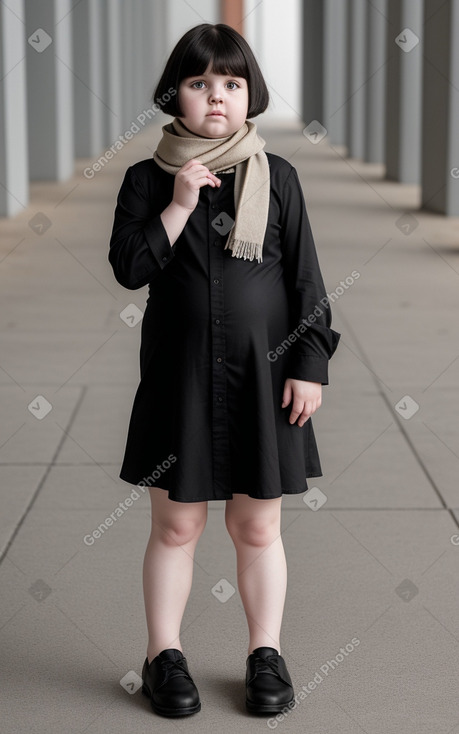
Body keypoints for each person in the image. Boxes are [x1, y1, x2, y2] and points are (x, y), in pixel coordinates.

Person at [108, 22, 340, 718]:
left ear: (250, 95)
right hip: (179, 381)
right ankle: (162, 655)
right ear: (173, 93)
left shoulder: (280, 178)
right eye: (200, 82)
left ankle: (264, 652)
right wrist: (178, 204)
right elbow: (129, 268)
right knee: (176, 528)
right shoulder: (147, 179)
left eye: (231, 83)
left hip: (262, 382)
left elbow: (305, 282)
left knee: (258, 528)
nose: (217, 97)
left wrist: (309, 365)